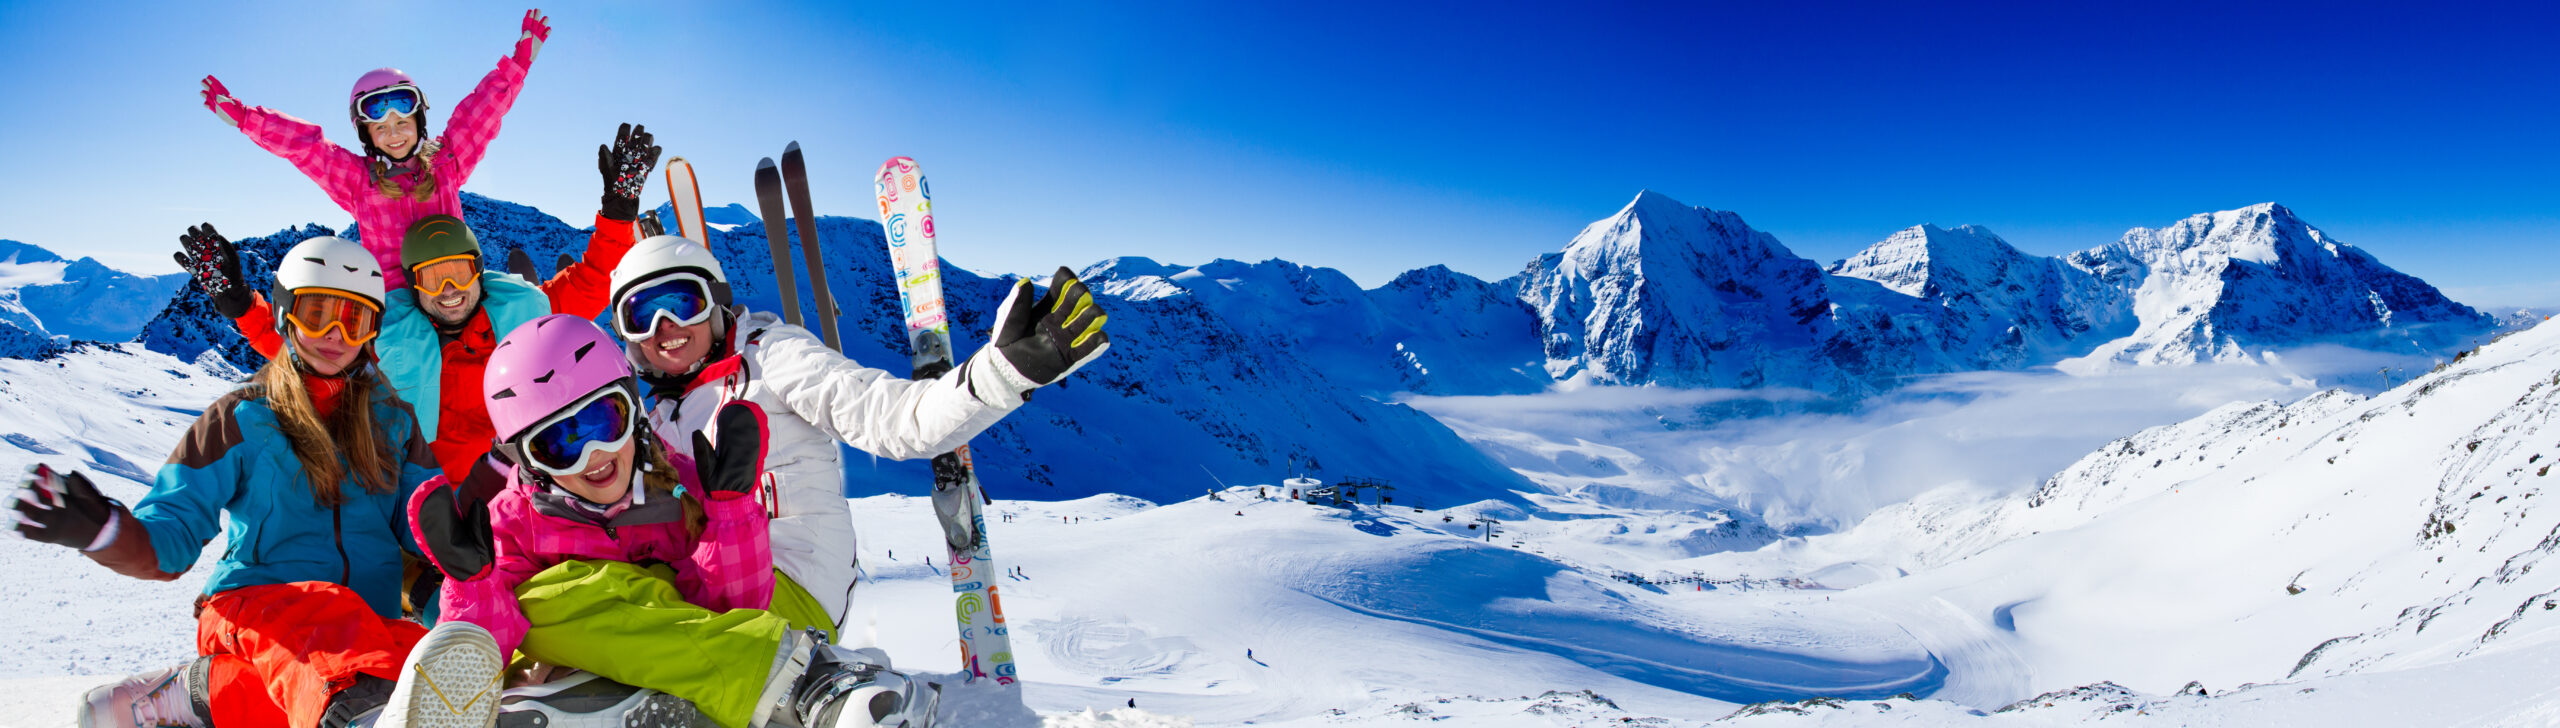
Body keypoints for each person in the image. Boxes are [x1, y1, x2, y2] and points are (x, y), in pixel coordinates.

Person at [16, 237, 504, 728]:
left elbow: (424, 519)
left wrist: (486, 495)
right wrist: (105, 532)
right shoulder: (243, 416)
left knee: (418, 659)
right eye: (317, 315)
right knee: (338, 634)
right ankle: (360, 710)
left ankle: (195, 695)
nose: (334, 334)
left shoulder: (394, 424)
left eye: (352, 320)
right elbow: (172, 533)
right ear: (287, 315)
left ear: (370, 332)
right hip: (258, 607)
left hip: (362, 629)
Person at [409, 315, 934, 728]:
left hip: (684, 652)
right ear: (530, 464)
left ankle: (799, 680)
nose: (592, 453)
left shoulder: (680, 484)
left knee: (558, 596)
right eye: (557, 444)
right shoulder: (513, 521)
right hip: (609, 665)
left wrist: (730, 513)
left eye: (602, 420)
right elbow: (482, 653)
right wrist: (473, 587)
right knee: (540, 602)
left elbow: (730, 610)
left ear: (634, 410)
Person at [603, 236, 1111, 637]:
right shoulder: (656, 411)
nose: (663, 325)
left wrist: (999, 375)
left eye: (680, 303)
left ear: (715, 302)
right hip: (712, 578)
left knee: (628, 624)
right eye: (640, 315)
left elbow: (889, 418)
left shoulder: (773, 357)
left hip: (790, 583)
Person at [175, 123, 659, 482]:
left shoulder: (522, 312)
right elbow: (305, 349)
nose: (449, 290)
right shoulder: (390, 337)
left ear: (478, 269)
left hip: (529, 482)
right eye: (432, 279)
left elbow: (594, 280)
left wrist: (618, 212)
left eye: (458, 273)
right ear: (412, 285)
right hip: (433, 497)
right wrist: (238, 301)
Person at [196, 9, 551, 289]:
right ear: (367, 136)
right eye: (381, 128)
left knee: (513, 298)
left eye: (402, 123)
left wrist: (518, 64)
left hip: (459, 283)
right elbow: (307, 148)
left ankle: (528, 318)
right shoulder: (358, 182)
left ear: (419, 122)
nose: (394, 134)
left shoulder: (446, 162)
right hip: (400, 302)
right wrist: (246, 118)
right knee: (409, 348)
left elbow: (480, 114)